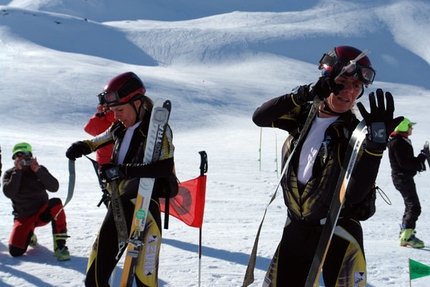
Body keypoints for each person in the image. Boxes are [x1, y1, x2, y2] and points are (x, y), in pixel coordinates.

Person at [252, 46, 402, 287]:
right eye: (343, 82)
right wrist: (304, 94)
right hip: (296, 229)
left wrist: (375, 148)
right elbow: (260, 117)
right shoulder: (303, 116)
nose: (350, 91)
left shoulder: (355, 131)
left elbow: (353, 196)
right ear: (327, 80)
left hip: (337, 234)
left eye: (357, 86)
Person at [65, 71, 175, 287]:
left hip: (145, 206)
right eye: (112, 111)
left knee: (145, 282)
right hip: (119, 206)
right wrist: (81, 147)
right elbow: (98, 140)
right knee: (94, 280)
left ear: (137, 102)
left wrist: (122, 171)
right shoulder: (119, 128)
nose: (116, 116)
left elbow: (165, 167)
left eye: (120, 110)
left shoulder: (158, 130)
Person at [2, 142, 70, 261]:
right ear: (15, 158)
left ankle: (60, 246)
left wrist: (38, 170)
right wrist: (17, 172)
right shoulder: (10, 173)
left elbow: (54, 187)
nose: (24, 158)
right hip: (23, 218)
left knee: (56, 203)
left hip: (42, 212)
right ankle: (29, 236)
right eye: (19, 155)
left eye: (27, 155)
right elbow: (9, 193)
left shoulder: (39, 169)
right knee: (15, 251)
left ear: (31, 156)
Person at [387, 118, 426, 248]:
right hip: (401, 177)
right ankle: (407, 237)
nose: (412, 129)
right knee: (414, 207)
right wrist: (418, 164)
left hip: (403, 177)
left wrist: (419, 160)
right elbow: (403, 163)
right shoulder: (397, 142)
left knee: (410, 205)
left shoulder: (401, 140)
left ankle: (405, 232)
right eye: (410, 126)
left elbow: (406, 161)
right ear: (403, 127)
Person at [84, 96, 116, 207]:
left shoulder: (102, 119)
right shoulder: (120, 115)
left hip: (103, 162)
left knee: (108, 193)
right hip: (116, 161)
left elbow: (88, 129)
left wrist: (99, 115)